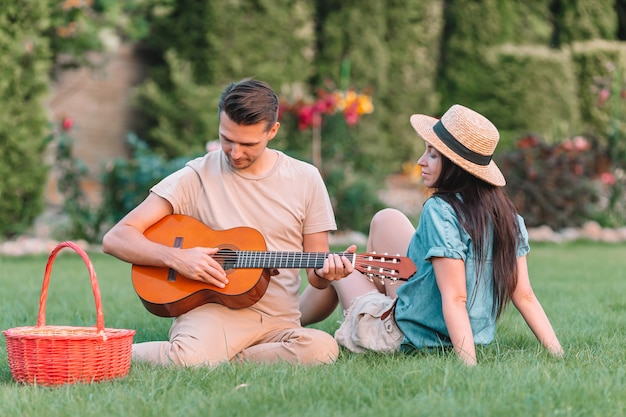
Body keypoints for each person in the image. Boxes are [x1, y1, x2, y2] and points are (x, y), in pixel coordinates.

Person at [102, 78, 355, 367]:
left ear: (272, 131)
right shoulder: (195, 176)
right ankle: (109, 353)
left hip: (277, 321)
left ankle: (219, 357)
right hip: (212, 312)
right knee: (189, 361)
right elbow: (116, 238)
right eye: (227, 139)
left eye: (248, 143)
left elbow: (315, 274)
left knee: (322, 349)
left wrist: (327, 274)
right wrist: (178, 258)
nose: (234, 153)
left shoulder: (306, 179)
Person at [299, 104, 564, 366]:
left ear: (456, 167)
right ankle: (374, 298)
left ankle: (286, 322)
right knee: (386, 219)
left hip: (404, 337)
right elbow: (525, 295)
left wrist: (469, 367)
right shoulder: (509, 218)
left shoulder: (441, 210)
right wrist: (558, 354)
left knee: (338, 264)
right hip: (445, 324)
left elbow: (455, 298)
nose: (420, 161)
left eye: (433, 155)